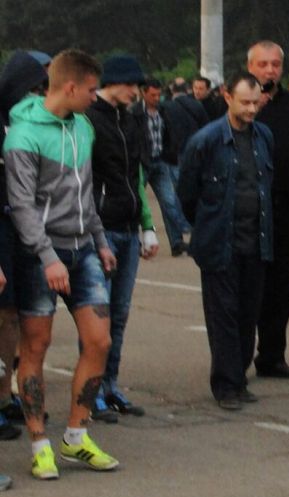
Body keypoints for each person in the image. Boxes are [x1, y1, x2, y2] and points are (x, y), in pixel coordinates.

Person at [4, 49, 120, 480]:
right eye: (91, 90)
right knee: (36, 344)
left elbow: (84, 193)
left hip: (83, 247)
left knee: (99, 341)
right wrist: (49, 258)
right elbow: (21, 207)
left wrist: (101, 240)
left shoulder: (83, 127)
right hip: (40, 253)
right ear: (70, 87)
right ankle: (39, 443)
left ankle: (76, 436)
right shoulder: (22, 135)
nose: (96, 97)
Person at [178, 72, 274, 410]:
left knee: (248, 314)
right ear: (227, 96)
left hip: (256, 242)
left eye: (256, 101)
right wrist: (206, 225)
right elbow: (187, 194)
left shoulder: (263, 137)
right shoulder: (205, 141)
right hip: (220, 244)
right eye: (245, 101)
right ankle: (226, 385)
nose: (251, 109)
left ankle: (240, 378)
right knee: (224, 317)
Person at [86, 55, 159, 422]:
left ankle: (110, 384)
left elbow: (139, 177)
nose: (136, 91)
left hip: (129, 227)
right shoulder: (89, 117)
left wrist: (148, 225)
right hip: (101, 227)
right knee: (97, 317)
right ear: (111, 82)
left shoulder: (132, 120)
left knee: (119, 315)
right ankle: (92, 389)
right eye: (130, 85)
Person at [248, 41, 289, 380]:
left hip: (287, 209)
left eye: (275, 64)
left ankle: (272, 356)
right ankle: (237, 359)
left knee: (281, 286)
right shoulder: (240, 103)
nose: (270, 70)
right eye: (263, 64)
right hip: (250, 211)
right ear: (250, 66)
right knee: (251, 285)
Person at [0, 50, 48, 443]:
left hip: (20, 225)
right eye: (31, 88)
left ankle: (5, 395)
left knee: (13, 316)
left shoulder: (26, 124)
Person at [135, 78, 192, 257]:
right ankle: (135, 242)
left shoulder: (163, 111)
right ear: (143, 93)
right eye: (153, 95)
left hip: (160, 161)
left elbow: (170, 133)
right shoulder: (135, 113)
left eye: (158, 95)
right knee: (136, 203)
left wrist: (171, 152)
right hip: (142, 163)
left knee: (169, 202)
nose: (156, 98)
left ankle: (176, 242)